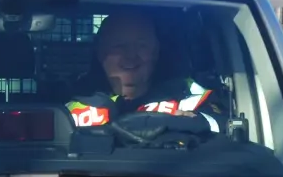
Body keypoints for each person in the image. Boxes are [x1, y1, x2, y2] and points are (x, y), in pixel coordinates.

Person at [65, 8, 229, 133]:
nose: (130, 56)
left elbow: (227, 129)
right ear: (100, 52)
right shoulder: (70, 106)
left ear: (156, 51)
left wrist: (195, 122)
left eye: (141, 45)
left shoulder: (189, 95)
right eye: (119, 46)